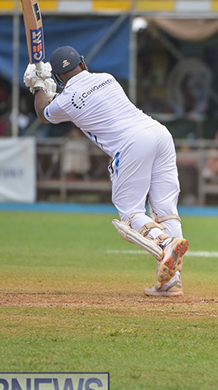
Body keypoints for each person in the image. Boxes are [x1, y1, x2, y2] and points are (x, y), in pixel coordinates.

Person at [23, 46, 189, 297]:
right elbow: (80, 97)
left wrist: (38, 86)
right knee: (166, 211)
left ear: (58, 77)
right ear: (82, 62)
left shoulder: (67, 101)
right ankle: (170, 281)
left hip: (132, 143)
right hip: (159, 133)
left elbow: (43, 113)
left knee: (131, 214)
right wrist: (51, 87)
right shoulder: (106, 78)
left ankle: (165, 243)